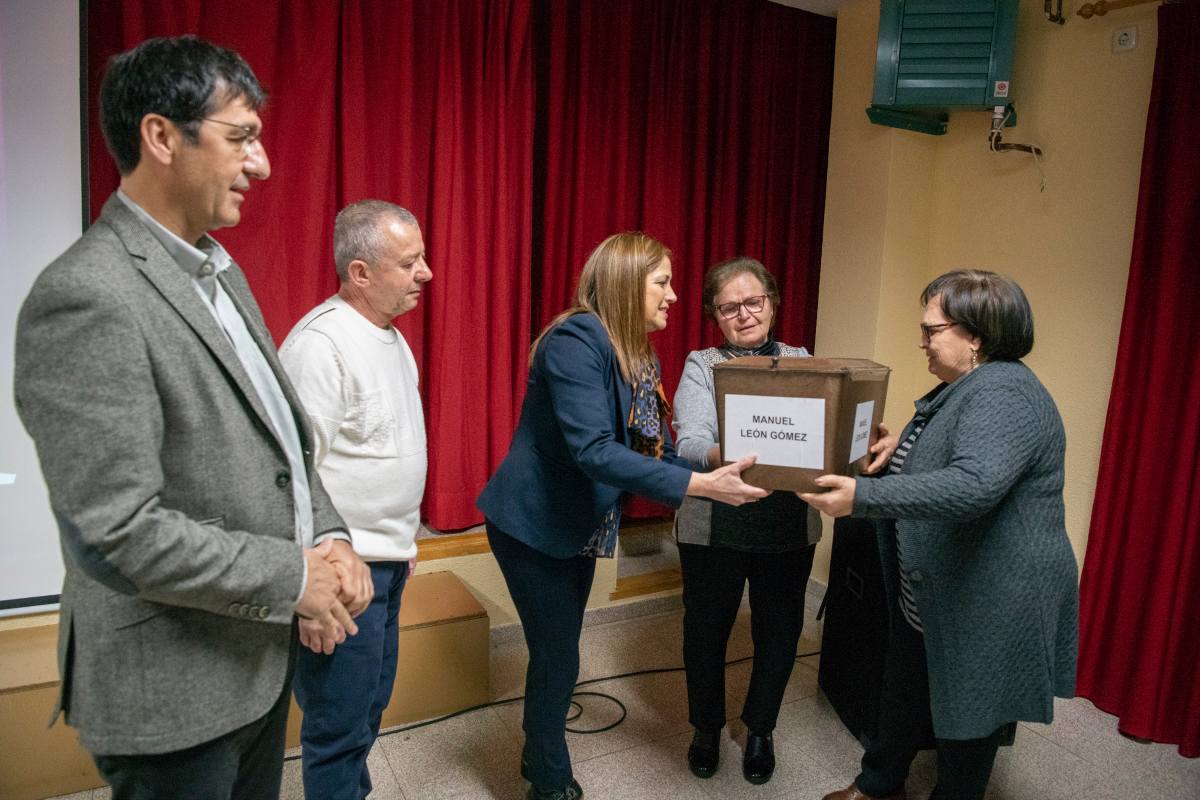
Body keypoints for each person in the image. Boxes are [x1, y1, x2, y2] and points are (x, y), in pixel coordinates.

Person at [13, 36, 372, 800]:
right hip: (171, 694)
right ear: (161, 136)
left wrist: (330, 535)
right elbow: (117, 532)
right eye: (241, 137)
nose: (261, 164)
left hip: (251, 662)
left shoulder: (220, 271)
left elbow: (282, 450)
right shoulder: (86, 295)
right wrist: (293, 577)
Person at [477, 232, 768, 800]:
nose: (674, 295)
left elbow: (647, 448)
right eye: (662, 282)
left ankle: (537, 756)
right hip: (533, 527)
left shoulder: (637, 353)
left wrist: (716, 464)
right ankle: (548, 781)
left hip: (575, 529)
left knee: (559, 653)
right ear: (626, 284)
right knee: (558, 657)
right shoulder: (576, 339)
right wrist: (698, 484)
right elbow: (594, 451)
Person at [802, 270, 1078, 800]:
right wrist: (896, 452)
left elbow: (974, 485)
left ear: (976, 335)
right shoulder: (965, 386)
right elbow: (945, 456)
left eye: (932, 330)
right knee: (904, 690)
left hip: (990, 595)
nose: (922, 341)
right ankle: (879, 786)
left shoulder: (1004, 391)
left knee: (969, 723)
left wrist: (863, 496)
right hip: (935, 590)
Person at [279, 200, 431, 799]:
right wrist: (308, 585)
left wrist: (404, 541)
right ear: (360, 272)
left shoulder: (391, 338)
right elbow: (287, 475)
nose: (425, 273)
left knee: (368, 708)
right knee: (338, 727)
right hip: (341, 574)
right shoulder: (320, 345)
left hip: (386, 563)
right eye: (409, 262)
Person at [671, 257, 823, 785]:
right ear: (715, 315)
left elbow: (822, 430)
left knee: (779, 631)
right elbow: (690, 443)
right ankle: (706, 727)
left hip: (787, 525)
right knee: (705, 631)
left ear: (772, 303)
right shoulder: (702, 364)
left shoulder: (803, 361)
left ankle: (761, 729)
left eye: (753, 301)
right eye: (729, 307)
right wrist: (748, 454)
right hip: (714, 523)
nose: (744, 314)